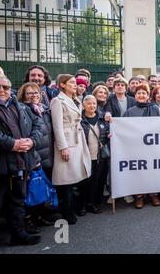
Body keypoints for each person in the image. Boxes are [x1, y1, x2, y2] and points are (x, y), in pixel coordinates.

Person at [0, 75, 42, 254]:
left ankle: (18, 234)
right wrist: (11, 144)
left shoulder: (19, 106)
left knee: (17, 202)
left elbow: (37, 126)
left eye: (5, 86)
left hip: (20, 164)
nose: (1, 90)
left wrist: (32, 141)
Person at [50, 74, 91, 224]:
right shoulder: (57, 101)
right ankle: (67, 211)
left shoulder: (76, 100)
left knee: (77, 175)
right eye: (72, 83)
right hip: (67, 141)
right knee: (66, 178)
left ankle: (76, 207)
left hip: (78, 139)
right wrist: (63, 147)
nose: (75, 85)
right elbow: (57, 126)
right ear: (62, 85)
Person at [17, 82, 55, 230]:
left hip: (46, 155)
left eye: (36, 93)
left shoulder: (44, 110)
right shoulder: (23, 110)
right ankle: (28, 221)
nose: (34, 95)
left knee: (40, 188)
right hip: (33, 156)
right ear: (23, 95)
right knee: (29, 190)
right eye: (29, 93)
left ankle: (38, 217)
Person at [123, 83, 160, 208]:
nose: (141, 95)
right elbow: (123, 128)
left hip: (152, 147)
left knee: (152, 171)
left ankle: (153, 194)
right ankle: (139, 196)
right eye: (138, 93)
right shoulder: (129, 112)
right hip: (136, 147)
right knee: (138, 172)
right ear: (135, 96)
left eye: (143, 93)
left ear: (148, 95)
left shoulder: (155, 109)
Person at [81, 95, 110, 214]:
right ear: (84, 105)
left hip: (99, 156)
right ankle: (83, 205)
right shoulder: (80, 120)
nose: (92, 106)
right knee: (84, 182)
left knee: (97, 181)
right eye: (89, 104)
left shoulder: (102, 120)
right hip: (85, 156)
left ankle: (93, 204)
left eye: (94, 103)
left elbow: (106, 135)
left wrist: (107, 138)